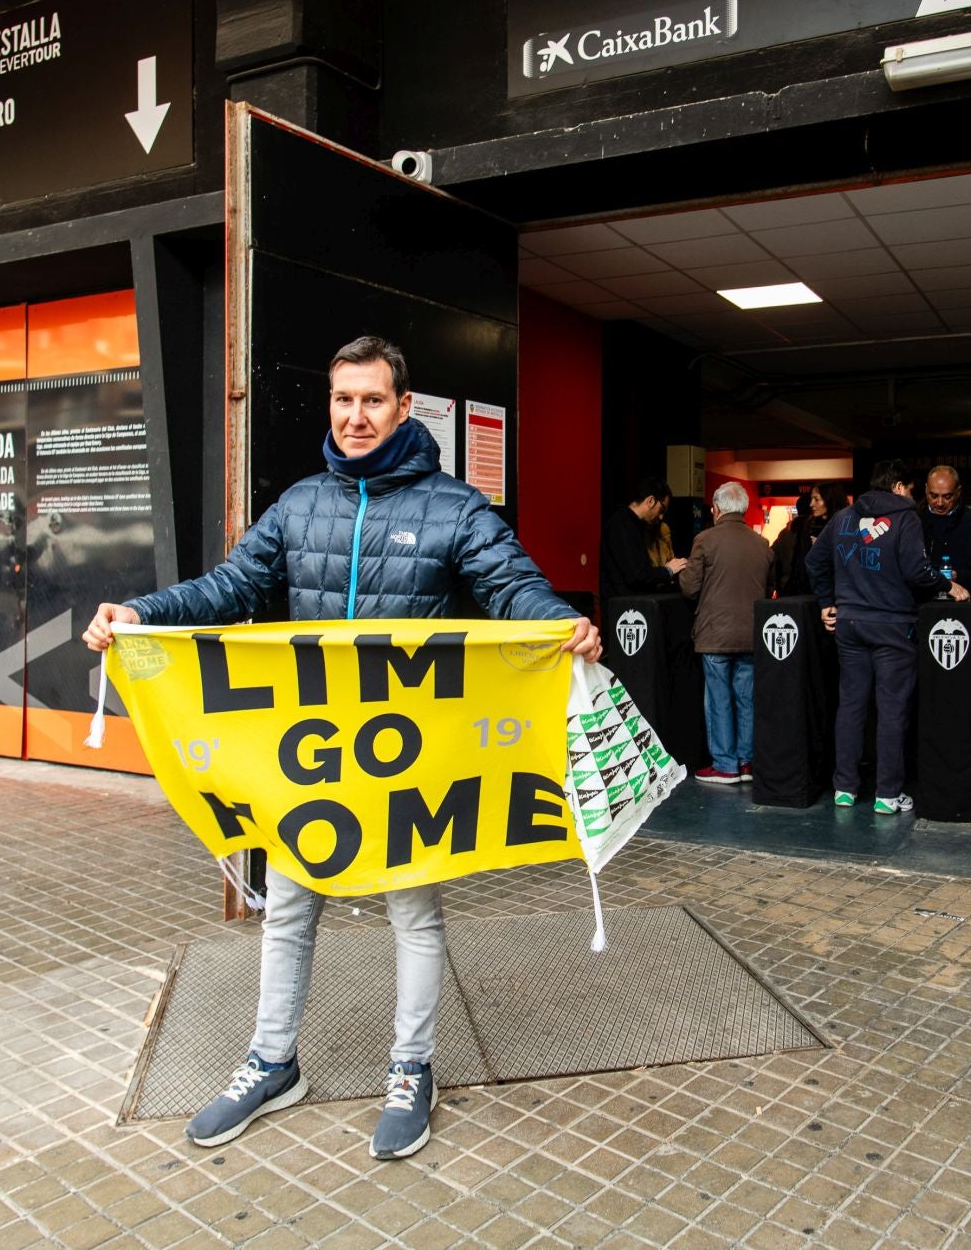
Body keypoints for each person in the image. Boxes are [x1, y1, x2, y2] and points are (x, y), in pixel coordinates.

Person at [81, 337, 600, 1160]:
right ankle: (273, 1061)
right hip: (312, 755)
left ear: (403, 407)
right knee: (288, 911)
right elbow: (229, 589)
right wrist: (142, 613)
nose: (355, 417)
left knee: (414, 915)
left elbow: (511, 586)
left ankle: (412, 1069)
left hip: (409, 756)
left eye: (371, 401)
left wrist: (556, 623)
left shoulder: (456, 508)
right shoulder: (298, 505)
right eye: (341, 400)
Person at [807, 460, 969, 815]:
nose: (912, 495)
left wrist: (826, 603)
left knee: (850, 706)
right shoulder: (906, 517)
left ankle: (844, 789)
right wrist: (948, 585)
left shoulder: (843, 517)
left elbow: (814, 561)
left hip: (849, 625)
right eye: (910, 489)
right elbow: (916, 570)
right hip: (893, 626)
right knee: (892, 711)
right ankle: (887, 794)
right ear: (898, 487)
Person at [678, 481, 774, 786]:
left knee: (718, 698)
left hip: (715, 634)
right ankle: (746, 763)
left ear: (716, 509)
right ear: (744, 509)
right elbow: (770, 588)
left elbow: (690, 588)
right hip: (751, 634)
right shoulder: (762, 545)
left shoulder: (704, 540)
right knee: (747, 697)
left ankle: (724, 765)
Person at [602, 478, 687, 602]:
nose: (661, 517)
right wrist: (668, 570)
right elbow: (637, 575)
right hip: (624, 611)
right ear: (650, 501)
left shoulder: (633, 525)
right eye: (661, 510)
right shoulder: (622, 524)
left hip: (628, 607)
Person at [920, 466, 971, 595]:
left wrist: (960, 576)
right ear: (926, 489)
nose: (939, 503)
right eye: (933, 496)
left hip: (966, 605)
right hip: (922, 605)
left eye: (947, 496)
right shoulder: (914, 522)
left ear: (958, 492)